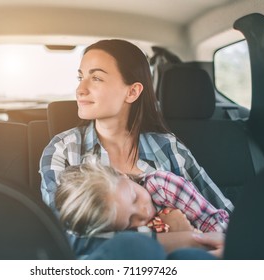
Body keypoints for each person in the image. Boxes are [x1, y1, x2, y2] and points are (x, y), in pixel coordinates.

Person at [40, 39, 233, 258]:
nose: (80, 89)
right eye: (80, 77)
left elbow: (226, 215)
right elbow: (66, 239)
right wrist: (187, 238)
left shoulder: (168, 147)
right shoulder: (63, 150)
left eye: (95, 78)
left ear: (132, 92)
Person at [55, 158, 229, 236]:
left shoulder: (164, 186)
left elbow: (217, 228)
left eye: (135, 197)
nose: (144, 212)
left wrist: (188, 233)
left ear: (121, 174)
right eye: (130, 220)